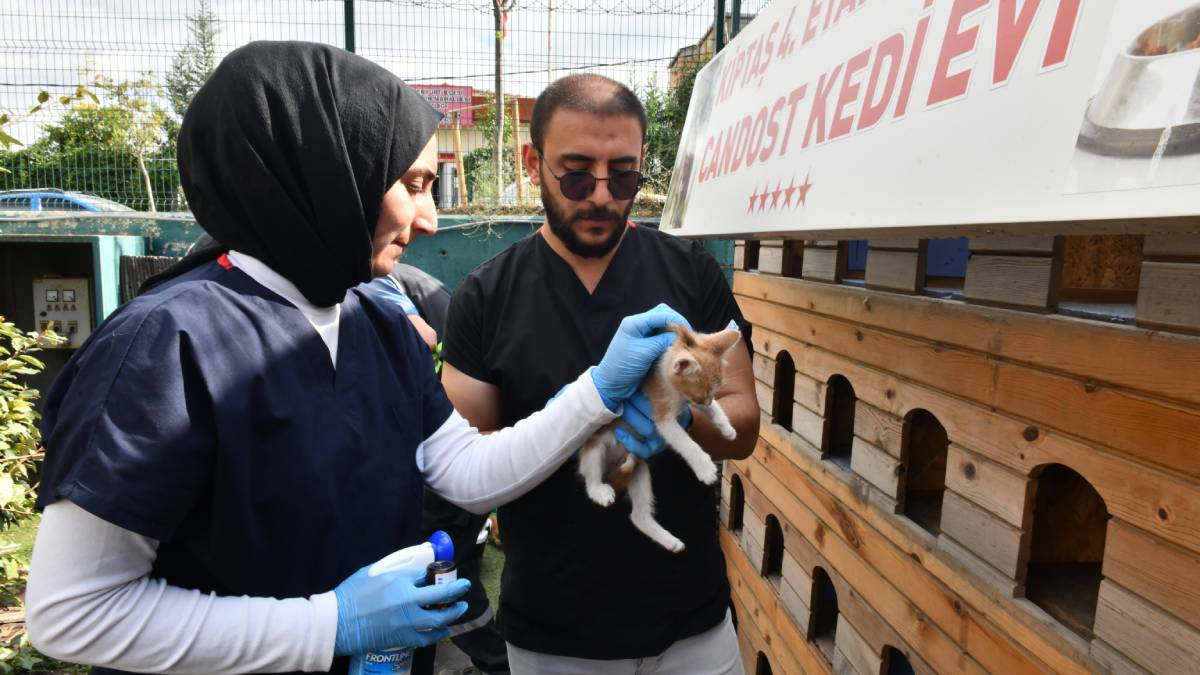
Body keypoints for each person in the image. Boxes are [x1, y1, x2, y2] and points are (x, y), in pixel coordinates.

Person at [24, 43, 687, 675]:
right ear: (328, 176)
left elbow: (466, 470)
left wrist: (598, 389)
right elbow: (74, 609)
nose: (429, 219)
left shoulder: (374, 319)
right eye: (414, 182)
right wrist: (328, 625)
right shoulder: (167, 345)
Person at [441, 73, 760, 674]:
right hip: (555, 635)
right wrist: (564, 424)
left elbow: (742, 424)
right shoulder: (486, 298)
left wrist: (678, 407)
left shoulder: (691, 275)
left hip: (691, 623)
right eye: (577, 172)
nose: (603, 195)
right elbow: (461, 463)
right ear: (533, 162)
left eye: (625, 174)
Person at [366, 267, 511, 675]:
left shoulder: (365, 277)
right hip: (468, 434)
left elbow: (423, 337)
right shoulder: (404, 278)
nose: (426, 222)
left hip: (452, 437)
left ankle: (498, 663)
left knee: (442, 570)